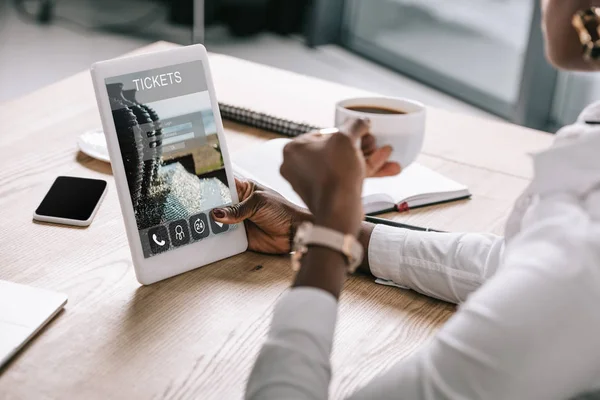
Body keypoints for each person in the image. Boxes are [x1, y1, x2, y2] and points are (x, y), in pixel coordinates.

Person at [210, 1, 600, 398]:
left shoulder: (581, 254)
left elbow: (561, 274)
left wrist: (326, 241)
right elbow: (512, 264)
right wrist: (314, 228)